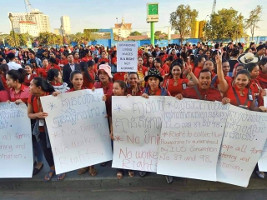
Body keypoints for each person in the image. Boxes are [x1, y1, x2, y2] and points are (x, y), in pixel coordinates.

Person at [27, 77, 66, 181]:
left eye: (31, 85)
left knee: (57, 149)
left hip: (54, 128)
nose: (29, 87)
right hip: (41, 129)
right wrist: (37, 115)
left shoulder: (51, 95)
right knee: (46, 149)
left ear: (39, 88)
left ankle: (62, 168)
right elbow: (29, 115)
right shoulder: (31, 97)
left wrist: (57, 95)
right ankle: (52, 169)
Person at [141, 68, 173, 184]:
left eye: (155, 79)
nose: (153, 82)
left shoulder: (165, 92)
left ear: (159, 81)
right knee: (148, 148)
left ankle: (166, 171)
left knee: (162, 149)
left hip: (161, 126)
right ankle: (145, 167)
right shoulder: (143, 92)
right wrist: (141, 100)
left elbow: (171, 107)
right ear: (147, 81)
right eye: (150, 80)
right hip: (147, 127)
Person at [67, 71, 97, 176]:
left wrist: (98, 96)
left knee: (89, 144)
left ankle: (91, 166)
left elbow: (96, 105)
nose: (79, 81)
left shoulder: (88, 92)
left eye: (81, 79)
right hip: (75, 126)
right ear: (71, 80)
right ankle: (83, 165)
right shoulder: (66, 94)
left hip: (88, 124)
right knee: (79, 146)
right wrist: (56, 96)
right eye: (76, 79)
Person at [110, 80, 135, 179]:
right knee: (117, 149)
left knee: (128, 148)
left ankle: (130, 167)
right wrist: (111, 131)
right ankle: (119, 169)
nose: (114, 90)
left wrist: (131, 100)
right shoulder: (113, 100)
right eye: (113, 88)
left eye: (116, 88)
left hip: (128, 129)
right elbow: (112, 117)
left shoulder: (128, 98)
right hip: (117, 129)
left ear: (122, 89)